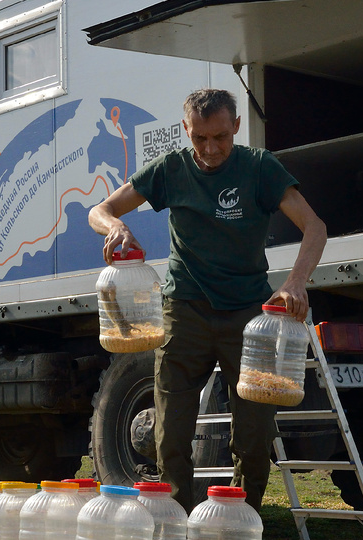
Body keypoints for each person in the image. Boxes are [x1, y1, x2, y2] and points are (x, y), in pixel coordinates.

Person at [88, 89, 326, 512]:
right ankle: (175, 520)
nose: (211, 149)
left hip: (250, 317)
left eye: (220, 137)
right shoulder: (170, 170)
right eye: (200, 139)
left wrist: (295, 282)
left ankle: (241, 519)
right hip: (184, 311)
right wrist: (114, 228)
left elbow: (315, 227)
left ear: (235, 126)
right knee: (171, 433)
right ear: (186, 130)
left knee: (253, 435)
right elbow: (101, 209)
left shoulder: (259, 168)